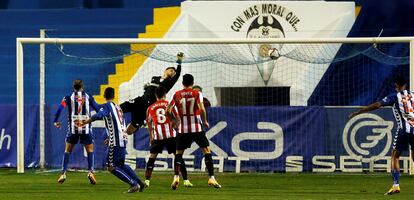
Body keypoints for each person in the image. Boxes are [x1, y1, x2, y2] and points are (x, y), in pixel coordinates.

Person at [349, 76, 414, 195]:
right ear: (405, 85)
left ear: (396, 86)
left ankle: (396, 186)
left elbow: (377, 105)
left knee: (395, 156)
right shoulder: (413, 94)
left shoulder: (394, 97)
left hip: (404, 130)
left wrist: (359, 111)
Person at [79, 87, 145, 193]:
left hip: (116, 141)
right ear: (114, 96)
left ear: (104, 96)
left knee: (110, 166)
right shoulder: (117, 107)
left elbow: (100, 114)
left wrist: (86, 122)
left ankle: (133, 184)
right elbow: (117, 122)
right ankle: (140, 182)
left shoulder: (107, 107)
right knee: (121, 164)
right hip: (122, 138)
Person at [167, 74, 221, 190]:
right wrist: (205, 121)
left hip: (183, 129)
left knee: (178, 153)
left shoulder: (176, 94)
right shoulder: (197, 93)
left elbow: (168, 110)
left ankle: (176, 177)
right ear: (192, 82)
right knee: (206, 151)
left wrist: (173, 121)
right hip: (196, 127)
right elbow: (201, 108)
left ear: (183, 83)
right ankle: (211, 177)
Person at [120, 52, 184, 135]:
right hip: (140, 101)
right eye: (171, 70)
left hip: (148, 107)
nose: (173, 73)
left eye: (174, 73)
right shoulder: (154, 78)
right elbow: (149, 90)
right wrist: (147, 87)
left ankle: (122, 134)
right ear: (165, 70)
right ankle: (106, 115)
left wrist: (179, 61)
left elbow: (178, 75)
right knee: (119, 109)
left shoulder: (169, 83)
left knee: (129, 131)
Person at [144, 86, 192, 188]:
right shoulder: (169, 105)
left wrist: (151, 136)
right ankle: (186, 180)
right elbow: (178, 118)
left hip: (158, 136)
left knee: (152, 158)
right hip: (171, 136)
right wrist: (177, 127)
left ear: (155, 95)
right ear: (165, 95)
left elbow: (149, 123)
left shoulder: (150, 108)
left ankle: (147, 181)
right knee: (178, 156)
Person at [53, 79, 99, 184]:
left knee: (67, 150)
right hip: (86, 128)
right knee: (90, 150)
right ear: (82, 86)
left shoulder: (68, 97)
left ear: (74, 87)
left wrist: (56, 121)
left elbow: (60, 109)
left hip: (73, 128)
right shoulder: (89, 97)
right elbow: (97, 109)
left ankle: (63, 173)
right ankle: (91, 172)